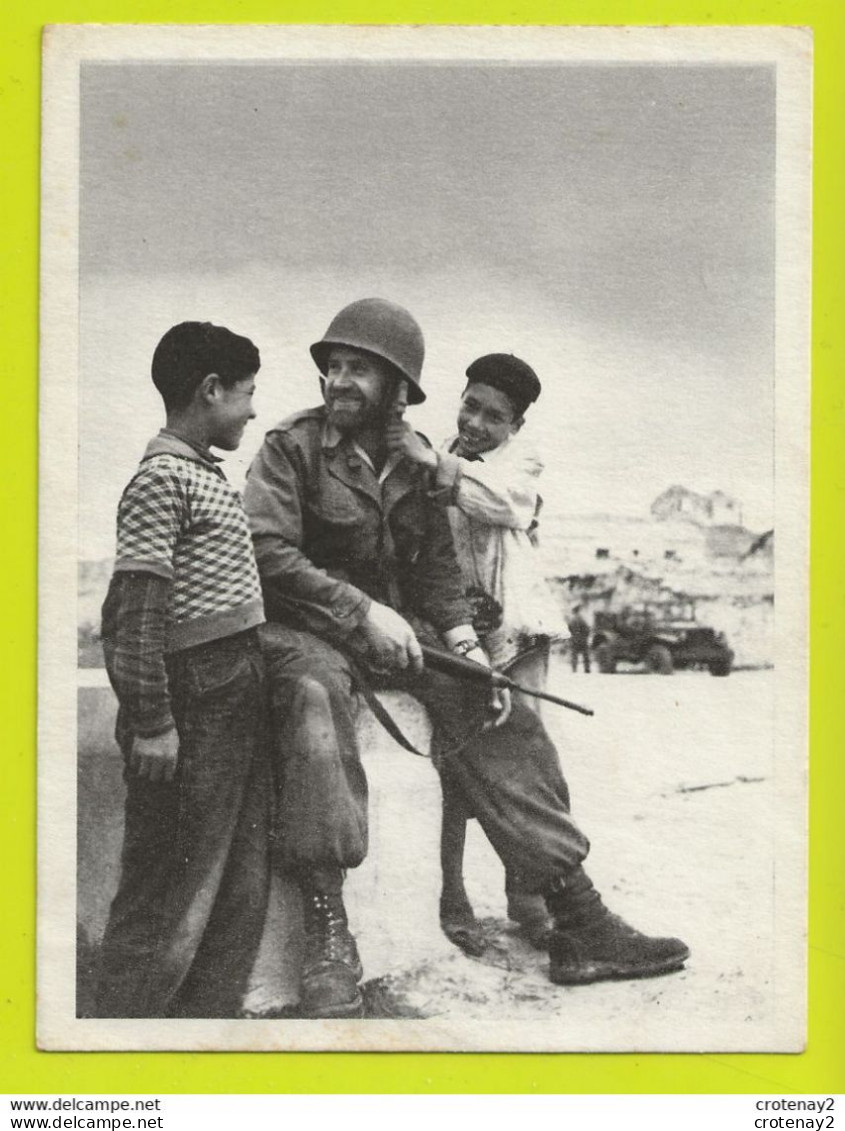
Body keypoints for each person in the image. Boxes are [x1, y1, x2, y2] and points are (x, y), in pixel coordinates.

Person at [244, 297, 689, 1020]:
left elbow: (435, 568)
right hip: (307, 631)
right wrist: (361, 610)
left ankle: (576, 915)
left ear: (396, 384)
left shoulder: (414, 458)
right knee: (312, 705)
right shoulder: (289, 447)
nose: (338, 380)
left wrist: (461, 641)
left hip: (398, 633)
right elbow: (266, 550)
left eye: (357, 368)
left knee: (492, 706)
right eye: (333, 366)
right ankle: (328, 934)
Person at [96, 321, 271, 1018]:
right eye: (247, 393)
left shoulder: (204, 474)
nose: (254, 409)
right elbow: (135, 612)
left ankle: (204, 1036)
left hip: (233, 692)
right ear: (210, 390)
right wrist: (152, 722)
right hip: (190, 702)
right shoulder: (161, 480)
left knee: (236, 879)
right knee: (163, 882)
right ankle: (120, 1033)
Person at [388, 352, 562, 947]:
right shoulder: (438, 453)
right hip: (458, 630)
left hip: (515, 631)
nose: (476, 423)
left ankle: (529, 895)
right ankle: (452, 890)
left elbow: (509, 503)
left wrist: (438, 468)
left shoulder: (520, 462)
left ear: (516, 426)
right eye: (470, 406)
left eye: (495, 416)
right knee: (455, 763)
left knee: (524, 765)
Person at [567, 604, 592, 673]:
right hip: (583, 640)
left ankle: (574, 670)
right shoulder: (582, 619)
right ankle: (587, 670)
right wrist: (585, 637)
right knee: (585, 656)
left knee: (574, 656)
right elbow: (587, 629)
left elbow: (569, 630)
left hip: (574, 640)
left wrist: (571, 638)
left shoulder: (571, 620)